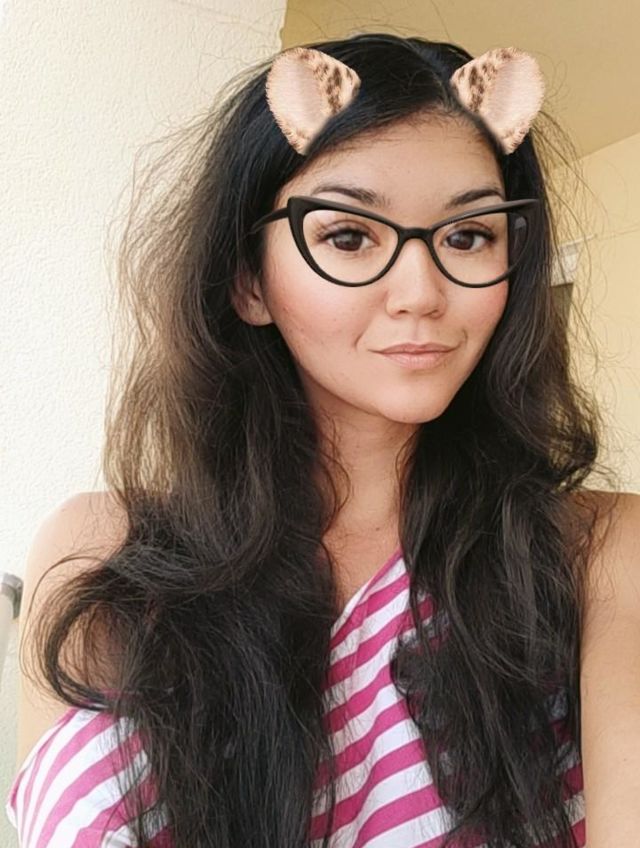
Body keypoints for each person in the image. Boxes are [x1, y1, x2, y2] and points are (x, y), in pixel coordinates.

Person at [8, 31, 640, 848]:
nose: (421, 292)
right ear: (248, 281)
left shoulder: (599, 555)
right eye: (348, 236)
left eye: (469, 236)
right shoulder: (101, 557)